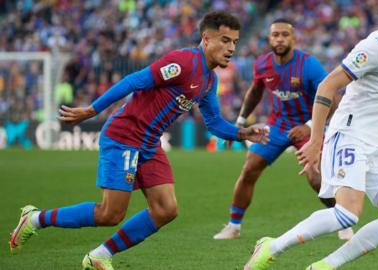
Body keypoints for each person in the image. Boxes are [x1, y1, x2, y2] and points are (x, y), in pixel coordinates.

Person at [9, 11, 269, 270]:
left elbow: (214, 123)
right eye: (225, 40)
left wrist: (242, 133)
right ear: (206, 39)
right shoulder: (183, 62)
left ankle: (99, 255)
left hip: (149, 143)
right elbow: (135, 80)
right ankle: (36, 219)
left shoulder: (209, 80)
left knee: (166, 209)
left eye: (234, 41)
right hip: (124, 136)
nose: (231, 48)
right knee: (110, 214)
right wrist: (93, 109)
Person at [244, 0, 378, 269]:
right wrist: (315, 139)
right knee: (347, 215)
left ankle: (326, 265)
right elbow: (326, 86)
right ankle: (271, 247)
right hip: (350, 133)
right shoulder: (373, 48)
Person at [213, 18, 353, 241]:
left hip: (309, 124)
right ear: (269, 38)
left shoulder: (309, 65)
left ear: (293, 38)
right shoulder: (262, 64)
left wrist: (309, 127)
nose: (279, 38)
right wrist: (239, 121)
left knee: (315, 177)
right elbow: (255, 91)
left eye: (284, 34)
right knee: (249, 168)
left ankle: (343, 223)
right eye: (275, 34)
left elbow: (332, 100)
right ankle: (233, 226)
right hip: (277, 126)